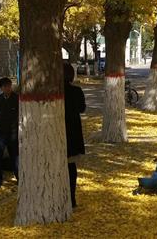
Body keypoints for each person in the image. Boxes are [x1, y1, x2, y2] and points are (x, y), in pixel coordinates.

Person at [63, 62, 86, 208]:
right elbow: (82, 108)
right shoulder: (77, 91)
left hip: (57, 132)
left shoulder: (53, 91)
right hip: (72, 133)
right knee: (71, 166)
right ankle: (71, 198)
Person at [0, 77, 19, 190]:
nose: (8, 89)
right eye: (6, 87)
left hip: (13, 132)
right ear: (2, 88)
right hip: (0, 132)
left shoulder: (16, 99)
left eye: (9, 86)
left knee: (15, 157)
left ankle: (20, 178)